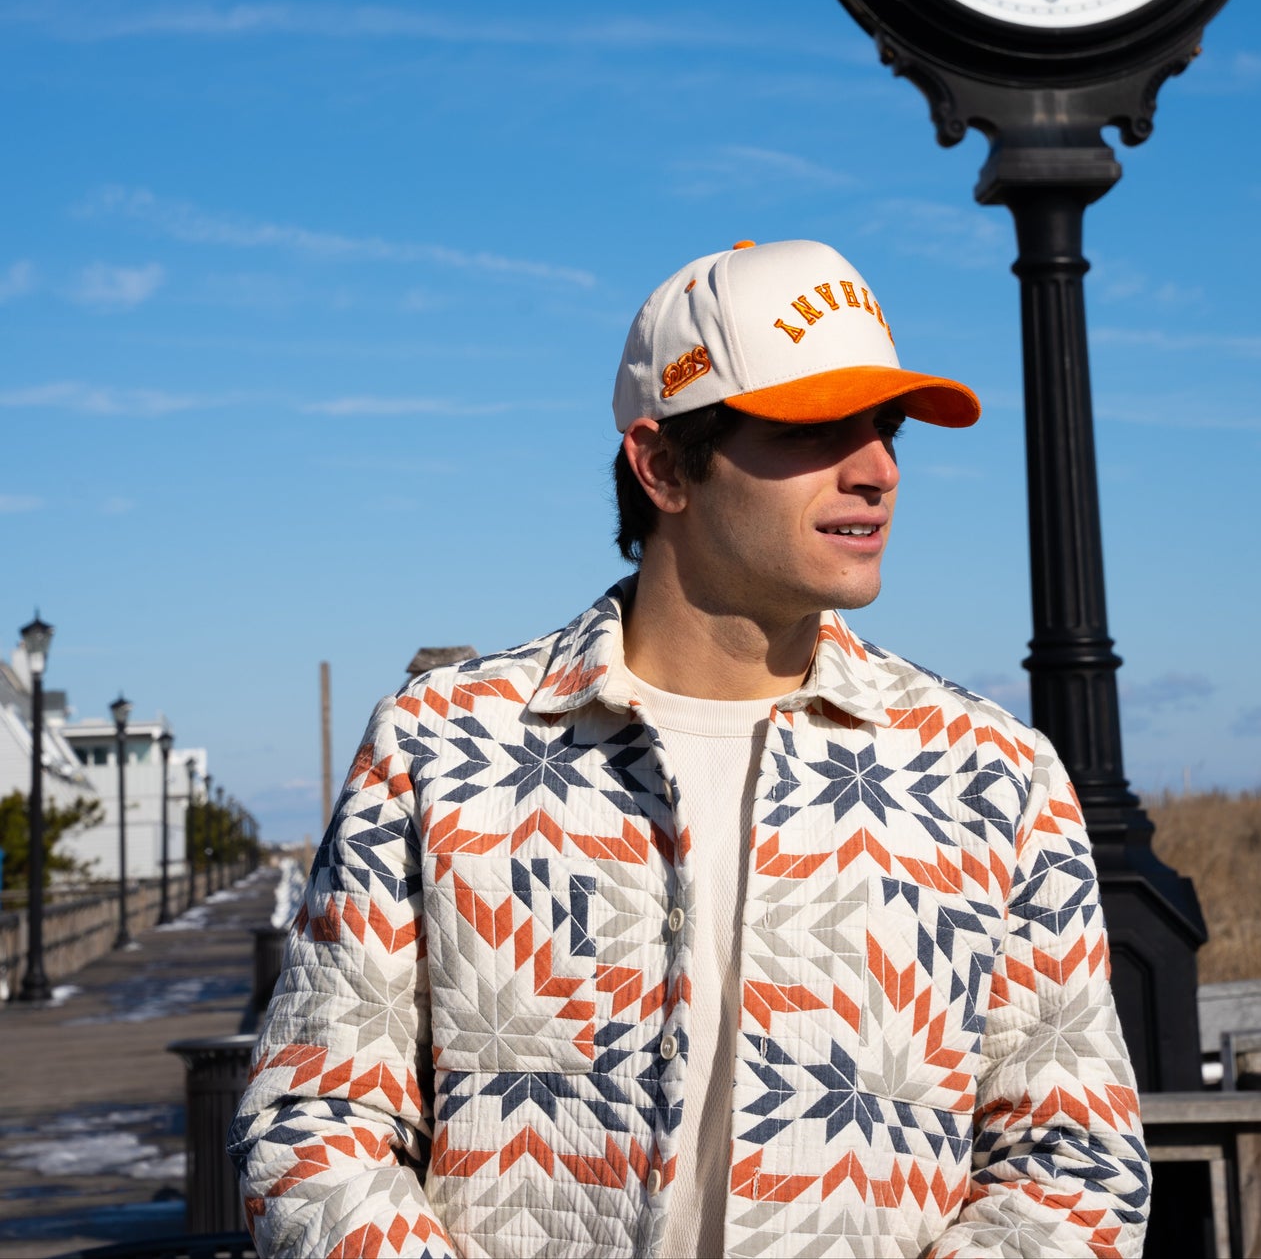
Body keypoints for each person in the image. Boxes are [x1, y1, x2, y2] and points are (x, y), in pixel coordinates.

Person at [232, 238, 1149, 1257]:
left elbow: (1073, 1166)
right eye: (815, 427)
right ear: (663, 463)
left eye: (884, 426)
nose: (877, 469)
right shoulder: (442, 748)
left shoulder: (990, 777)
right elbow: (314, 1128)